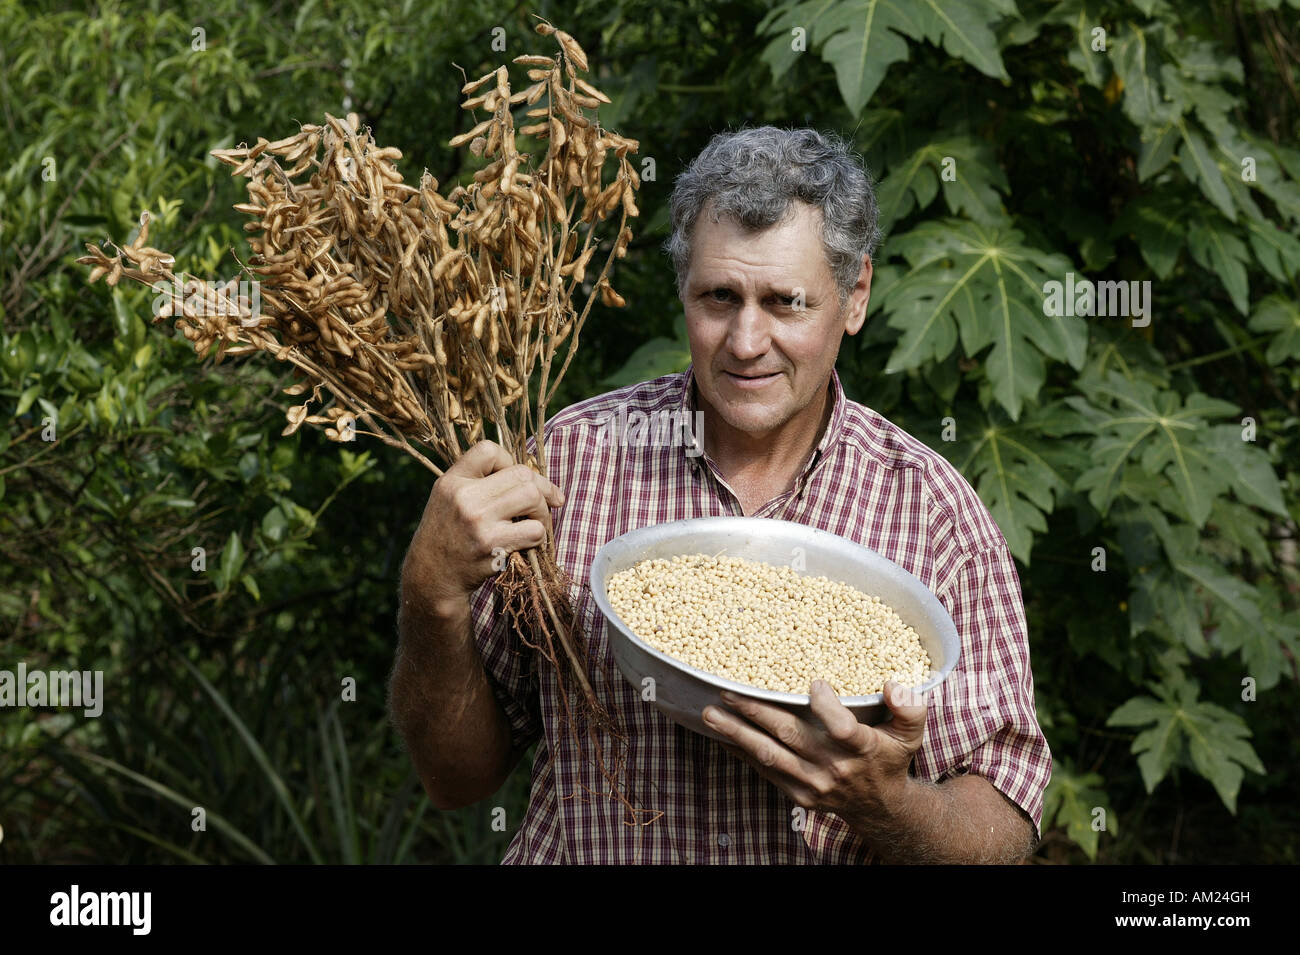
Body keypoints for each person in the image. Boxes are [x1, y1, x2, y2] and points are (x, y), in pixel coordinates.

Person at [389, 126, 1052, 864]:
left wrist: (882, 802)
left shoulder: (933, 515)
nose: (744, 340)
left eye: (785, 302)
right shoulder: (569, 464)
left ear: (855, 295)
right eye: (719, 296)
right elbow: (456, 779)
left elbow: (1006, 828)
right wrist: (431, 593)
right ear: (682, 287)